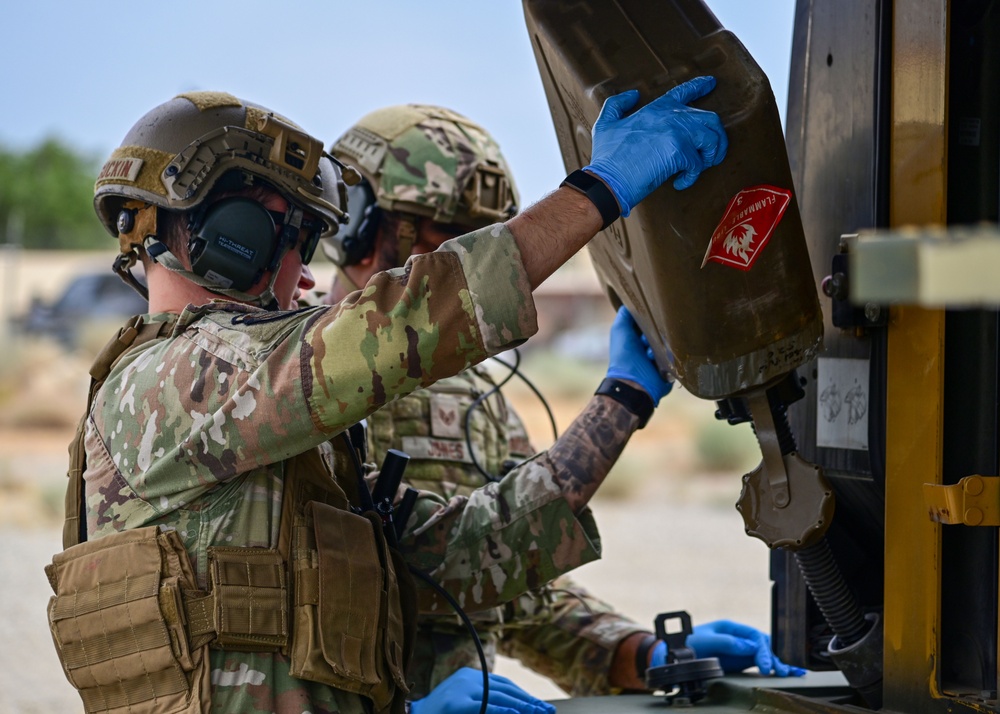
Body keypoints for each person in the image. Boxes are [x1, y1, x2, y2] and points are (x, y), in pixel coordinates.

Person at [44, 82, 728, 714]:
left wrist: (624, 398)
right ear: (233, 236)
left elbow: (457, 557)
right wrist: (598, 190)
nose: (304, 271)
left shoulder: (270, 416)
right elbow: (399, 322)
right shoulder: (168, 382)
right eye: (295, 238)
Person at [321, 104, 805, 699]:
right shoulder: (293, 394)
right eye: (447, 239)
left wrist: (642, 652)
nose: (467, 268)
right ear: (357, 225)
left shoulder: (473, 395)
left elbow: (512, 587)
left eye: (481, 240)